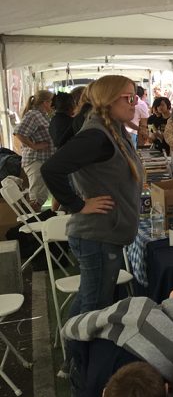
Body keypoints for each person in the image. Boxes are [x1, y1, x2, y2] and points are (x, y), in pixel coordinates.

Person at [41, 75, 143, 316]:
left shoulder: (113, 129)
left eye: (135, 97)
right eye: (129, 98)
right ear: (109, 100)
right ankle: (76, 342)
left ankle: (74, 340)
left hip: (105, 234)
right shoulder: (97, 135)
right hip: (97, 236)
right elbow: (51, 169)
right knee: (94, 307)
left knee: (92, 301)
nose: (134, 104)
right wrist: (78, 205)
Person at [14, 89, 55, 211]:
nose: (54, 105)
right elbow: (19, 132)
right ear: (45, 102)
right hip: (36, 160)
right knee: (37, 198)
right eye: (52, 102)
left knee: (41, 195)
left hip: (43, 160)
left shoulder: (42, 115)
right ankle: (32, 219)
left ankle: (40, 217)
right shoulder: (34, 115)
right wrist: (34, 146)